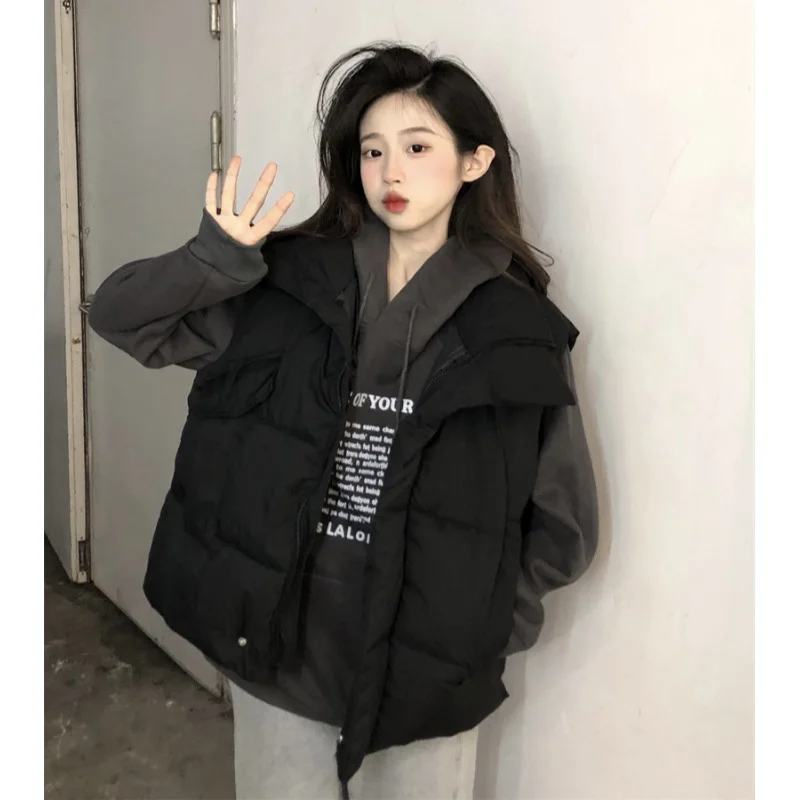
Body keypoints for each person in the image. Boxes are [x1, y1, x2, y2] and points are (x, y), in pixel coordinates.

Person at [88, 41, 598, 800]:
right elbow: (123, 319)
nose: (390, 173)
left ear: (474, 161)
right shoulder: (286, 284)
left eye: (417, 147)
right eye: (372, 150)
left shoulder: (518, 331)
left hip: (426, 676)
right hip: (281, 652)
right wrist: (211, 259)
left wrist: (481, 623)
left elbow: (565, 526)